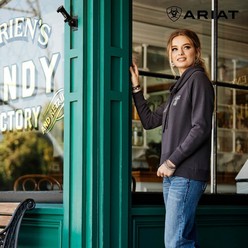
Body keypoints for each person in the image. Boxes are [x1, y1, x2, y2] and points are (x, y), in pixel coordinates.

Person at [130, 29, 214, 248]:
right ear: (170, 55)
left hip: (185, 173)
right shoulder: (179, 88)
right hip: (174, 176)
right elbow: (149, 121)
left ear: (196, 51)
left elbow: (201, 128)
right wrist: (136, 87)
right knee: (183, 241)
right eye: (175, 49)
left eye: (186, 47)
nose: (180, 53)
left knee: (175, 242)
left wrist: (171, 161)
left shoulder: (199, 81)